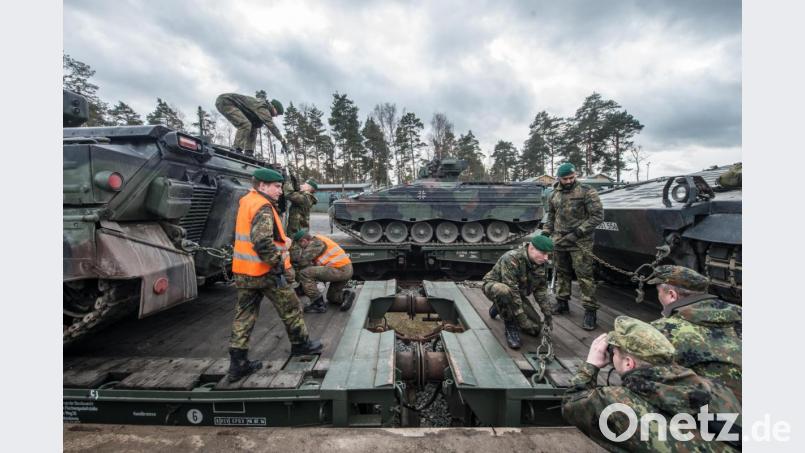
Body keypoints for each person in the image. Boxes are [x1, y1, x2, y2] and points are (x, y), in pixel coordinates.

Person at [562, 316, 741, 451]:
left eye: (614, 352)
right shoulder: (718, 390)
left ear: (628, 363)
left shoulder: (618, 403)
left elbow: (571, 404)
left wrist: (590, 365)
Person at [227, 167, 322, 383]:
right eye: (276, 186)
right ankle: (300, 345)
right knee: (291, 307)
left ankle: (237, 363)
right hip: (265, 272)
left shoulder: (247, 201)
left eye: (281, 186)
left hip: (244, 271)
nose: (280, 191)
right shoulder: (263, 206)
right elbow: (262, 241)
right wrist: (278, 263)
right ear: (262, 186)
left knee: (244, 316)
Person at [648, 265, 742, 402]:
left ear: (671, 295)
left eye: (659, 292)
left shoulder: (664, 329)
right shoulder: (739, 311)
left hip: (725, 412)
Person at [542, 162, 604, 330]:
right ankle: (562, 303)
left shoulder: (587, 191)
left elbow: (597, 216)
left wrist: (578, 232)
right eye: (565, 178)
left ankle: (590, 311)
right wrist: (545, 234)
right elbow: (551, 217)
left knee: (584, 276)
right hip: (560, 241)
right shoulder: (553, 195)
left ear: (575, 175)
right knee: (562, 272)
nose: (569, 181)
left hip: (580, 241)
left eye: (571, 178)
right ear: (559, 178)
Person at [481, 235, 554, 349]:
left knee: (535, 329)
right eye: (544, 253)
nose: (546, 258)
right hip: (495, 288)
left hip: (516, 294)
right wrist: (521, 319)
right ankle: (510, 326)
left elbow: (541, 290)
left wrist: (547, 314)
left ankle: (498, 306)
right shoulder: (512, 258)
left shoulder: (540, 264)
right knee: (503, 292)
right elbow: (512, 290)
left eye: (548, 254)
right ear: (531, 248)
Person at [290, 229, 356, 313]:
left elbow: (302, 262)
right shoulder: (318, 239)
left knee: (305, 273)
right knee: (331, 297)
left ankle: (318, 304)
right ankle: (345, 296)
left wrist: (289, 260)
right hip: (345, 269)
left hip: (339, 270)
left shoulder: (316, 243)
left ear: (304, 241)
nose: (300, 247)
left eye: (300, 244)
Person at [215, 93, 287, 156]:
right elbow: (271, 125)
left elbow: (255, 125)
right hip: (226, 101)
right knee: (245, 124)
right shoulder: (263, 106)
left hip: (228, 103)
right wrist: (282, 139)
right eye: (277, 113)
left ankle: (249, 151)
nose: (276, 115)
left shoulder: (263, 108)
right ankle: (237, 148)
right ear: (273, 107)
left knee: (254, 126)